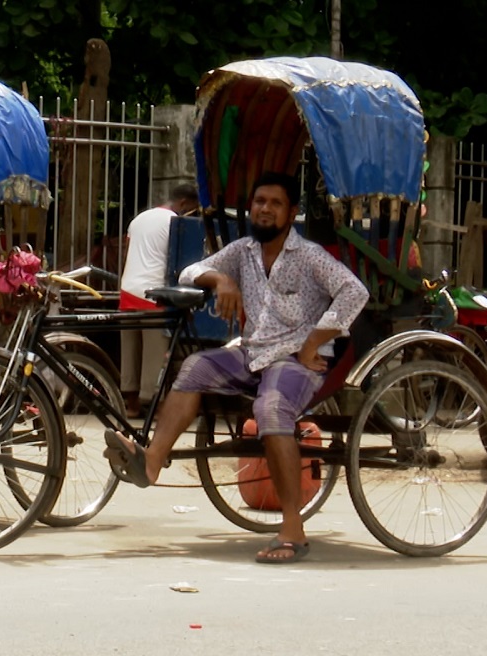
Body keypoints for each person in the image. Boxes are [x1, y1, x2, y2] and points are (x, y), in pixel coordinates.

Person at [104, 172, 368, 564]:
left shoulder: (309, 256)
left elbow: (354, 291)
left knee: (271, 409)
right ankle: (153, 460)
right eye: (260, 202)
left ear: (291, 212)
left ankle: (293, 528)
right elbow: (188, 272)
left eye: (275, 203)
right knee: (194, 367)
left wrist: (314, 340)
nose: (265, 209)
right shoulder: (243, 251)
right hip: (252, 352)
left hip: (294, 358)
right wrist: (221, 279)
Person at [118, 184, 200, 418]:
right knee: (156, 354)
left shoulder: (139, 219)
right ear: (183, 203)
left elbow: (127, 253)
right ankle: (157, 406)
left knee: (130, 351)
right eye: (192, 209)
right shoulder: (175, 222)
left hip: (128, 290)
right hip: (154, 294)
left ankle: (131, 405)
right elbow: (178, 261)